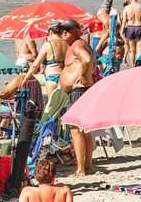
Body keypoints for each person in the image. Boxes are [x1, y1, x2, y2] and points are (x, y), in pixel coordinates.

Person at [59, 19, 96, 176]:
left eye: (67, 29)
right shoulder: (78, 44)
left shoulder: (77, 45)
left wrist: (82, 75)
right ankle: (88, 166)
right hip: (82, 89)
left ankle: (80, 168)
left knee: (75, 130)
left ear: (76, 31)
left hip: (78, 90)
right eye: (62, 30)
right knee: (84, 129)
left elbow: (87, 59)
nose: (64, 32)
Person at [22, 20, 69, 97]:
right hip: (65, 78)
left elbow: (35, 65)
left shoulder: (47, 45)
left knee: (52, 107)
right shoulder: (67, 43)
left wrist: (26, 78)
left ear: (50, 32)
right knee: (65, 107)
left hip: (52, 78)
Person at [122, 0, 141, 67]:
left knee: (132, 50)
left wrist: (121, 31)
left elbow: (124, 21)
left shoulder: (126, 8)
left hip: (130, 28)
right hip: (139, 27)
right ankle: (138, 66)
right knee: (140, 49)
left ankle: (133, 67)